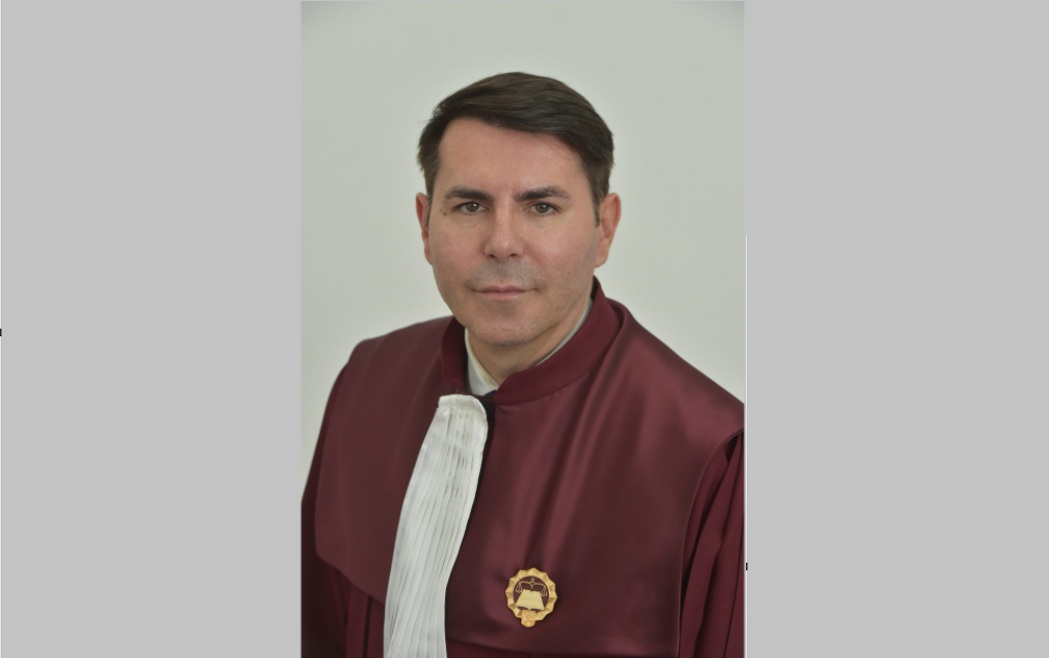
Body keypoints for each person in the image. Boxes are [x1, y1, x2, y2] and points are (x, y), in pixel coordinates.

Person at [302, 72, 744, 658]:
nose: (502, 242)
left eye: (541, 206)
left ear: (604, 227)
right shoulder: (367, 381)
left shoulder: (710, 452)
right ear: (425, 225)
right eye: (470, 205)